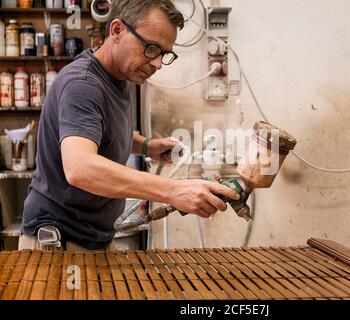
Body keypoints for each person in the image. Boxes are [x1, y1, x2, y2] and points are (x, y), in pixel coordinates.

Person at [19, 0, 240, 252]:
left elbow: (96, 131)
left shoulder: (120, 77)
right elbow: (80, 167)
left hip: (94, 237)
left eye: (164, 54)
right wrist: (174, 190)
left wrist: (146, 146)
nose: (157, 63)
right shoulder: (83, 85)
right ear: (116, 30)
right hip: (60, 242)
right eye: (151, 48)